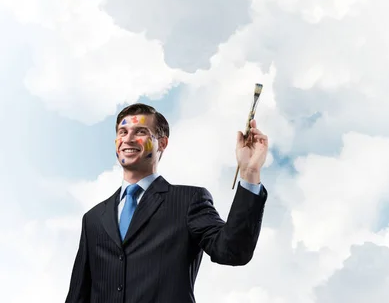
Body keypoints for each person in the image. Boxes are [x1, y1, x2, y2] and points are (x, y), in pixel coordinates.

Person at [65, 103, 268, 303]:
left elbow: (232, 251)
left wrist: (249, 173)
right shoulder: (93, 219)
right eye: (123, 131)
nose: (128, 138)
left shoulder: (188, 201)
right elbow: (78, 295)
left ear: (162, 143)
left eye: (140, 131)